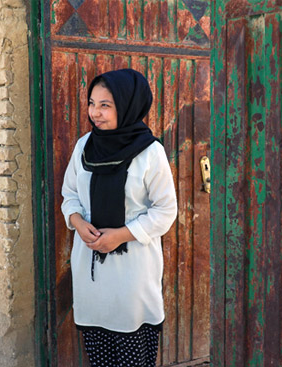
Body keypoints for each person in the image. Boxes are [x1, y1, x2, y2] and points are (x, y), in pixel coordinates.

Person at [61, 69, 178, 366]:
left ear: (127, 105)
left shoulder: (150, 153)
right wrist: (76, 221)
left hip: (131, 275)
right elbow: (69, 195)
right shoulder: (84, 146)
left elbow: (165, 210)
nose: (94, 113)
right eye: (92, 103)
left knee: (131, 352)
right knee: (99, 353)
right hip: (91, 274)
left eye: (105, 105)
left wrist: (121, 235)